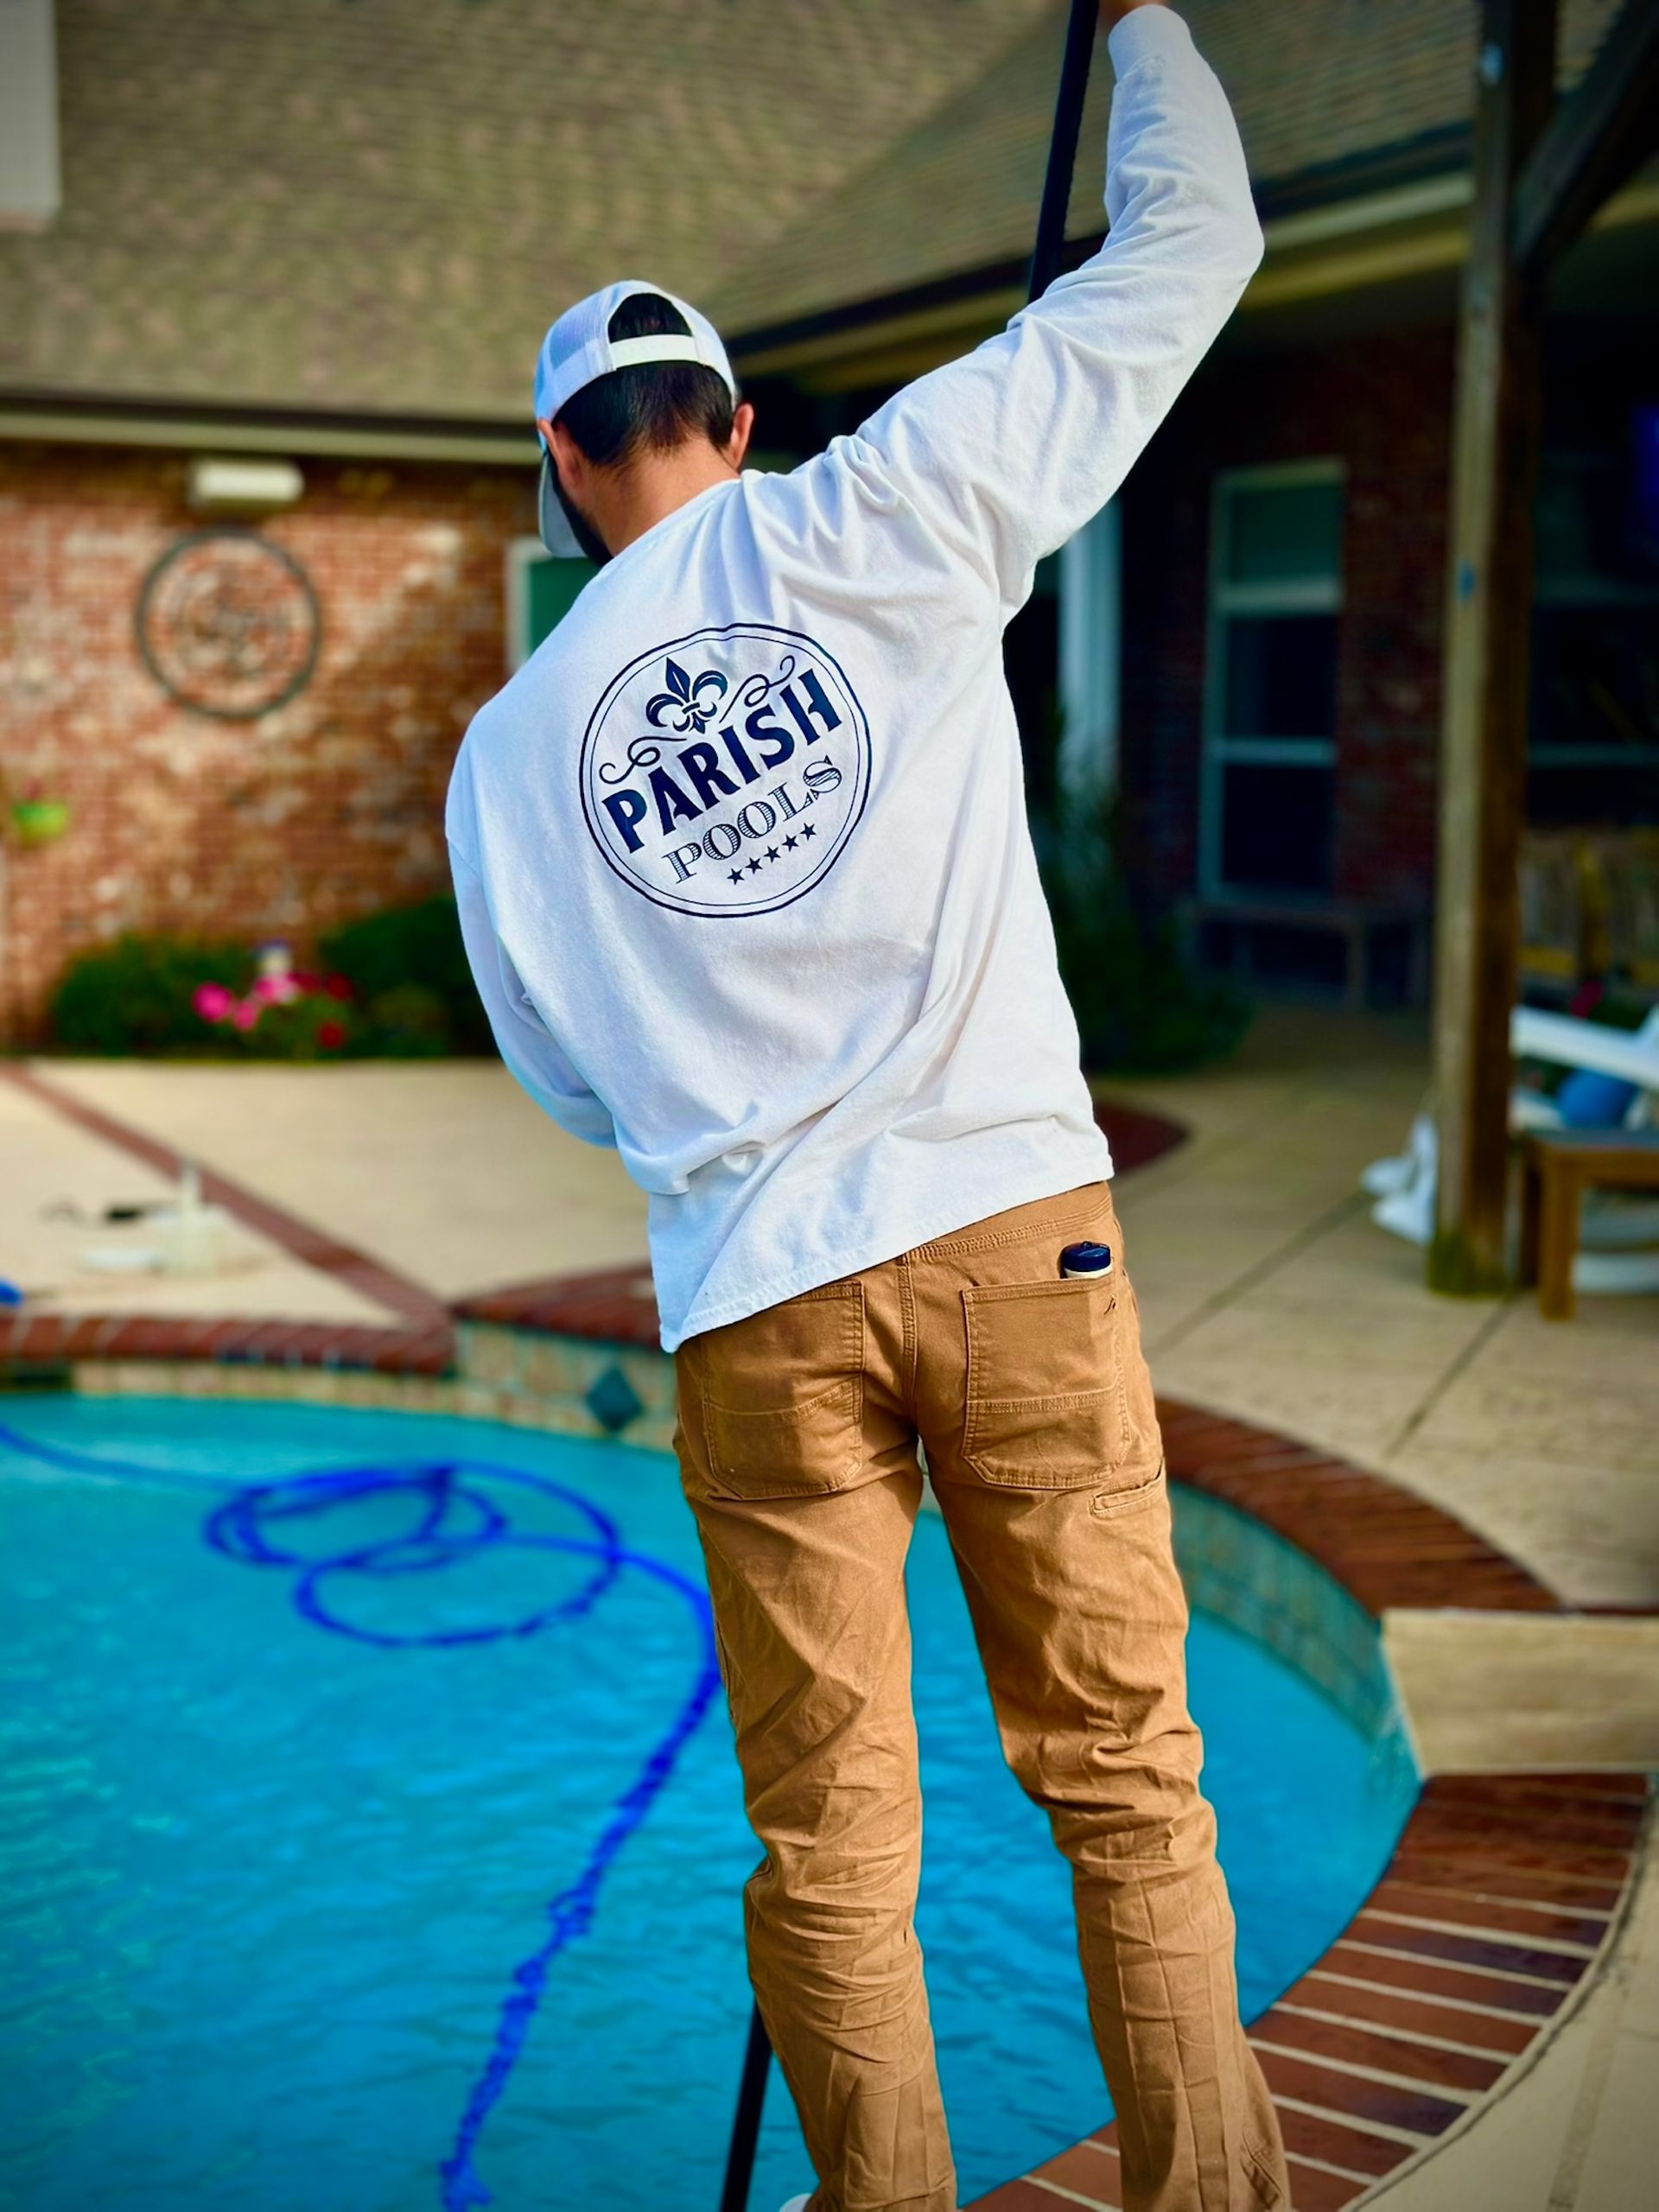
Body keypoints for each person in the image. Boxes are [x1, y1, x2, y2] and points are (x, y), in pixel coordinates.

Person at [447, 4, 1287, 2206]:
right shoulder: (875, 506)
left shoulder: (510, 755)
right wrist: (1149, 39)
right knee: (1124, 1782)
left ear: (562, 465)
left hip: (750, 1294)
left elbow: (560, 1063)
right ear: (733, 421)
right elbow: (1191, 253)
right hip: (1016, 1229)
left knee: (827, 1838)